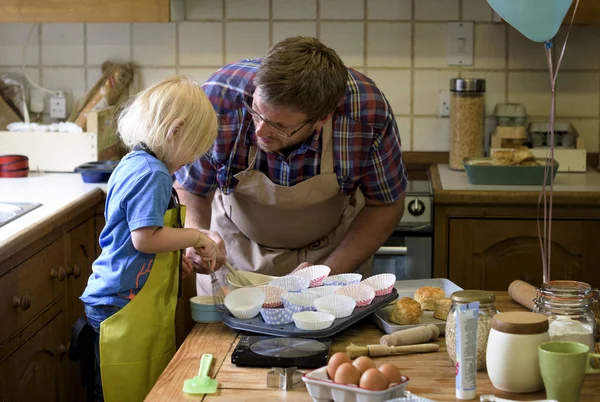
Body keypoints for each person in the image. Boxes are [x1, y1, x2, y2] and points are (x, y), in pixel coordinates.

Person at [175, 36, 408, 295]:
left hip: (332, 253)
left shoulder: (365, 113)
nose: (261, 130)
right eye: (257, 112)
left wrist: (325, 274)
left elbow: (385, 204)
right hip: (234, 253)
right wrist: (194, 235)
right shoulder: (219, 99)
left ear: (322, 118)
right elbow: (191, 187)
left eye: (280, 125)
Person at [80, 76, 221, 402]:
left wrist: (171, 260)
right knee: (123, 389)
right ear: (175, 130)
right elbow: (145, 238)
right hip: (123, 306)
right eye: (195, 147)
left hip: (120, 299)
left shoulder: (134, 163)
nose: (195, 158)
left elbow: (143, 239)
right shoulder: (153, 173)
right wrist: (196, 237)